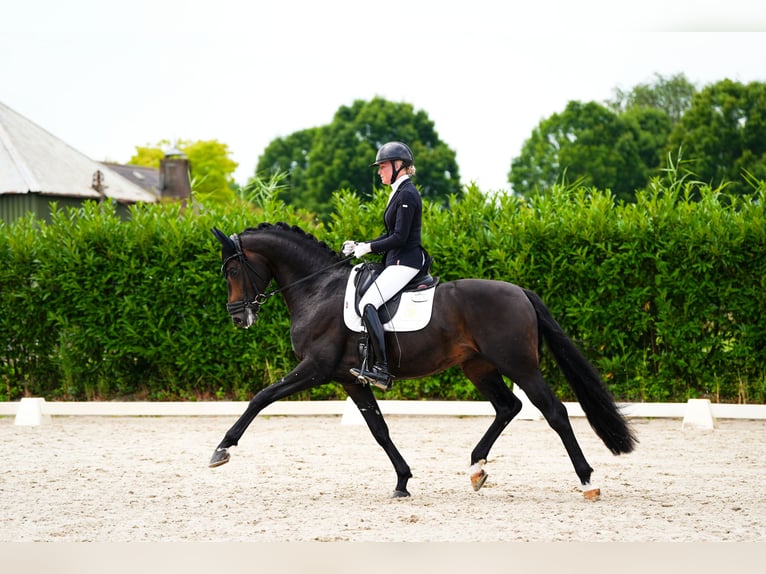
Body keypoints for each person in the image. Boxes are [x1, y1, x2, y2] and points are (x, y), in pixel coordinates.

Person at [342, 141, 427, 391]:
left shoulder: (408, 194)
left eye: (382, 166)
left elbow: (399, 237)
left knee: (368, 303)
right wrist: (362, 243)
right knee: (368, 302)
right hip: (395, 260)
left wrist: (368, 249)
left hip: (406, 262)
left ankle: (382, 369)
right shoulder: (398, 192)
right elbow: (388, 233)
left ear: (398, 166)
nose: (379, 171)